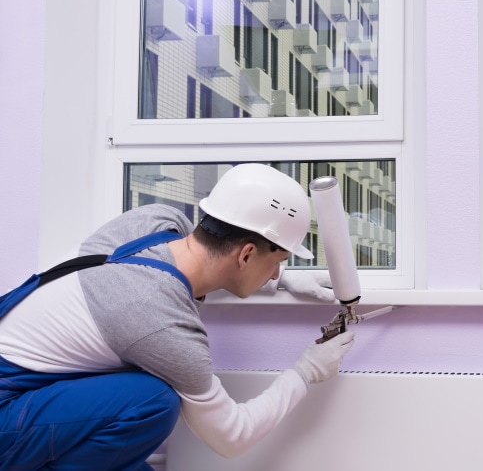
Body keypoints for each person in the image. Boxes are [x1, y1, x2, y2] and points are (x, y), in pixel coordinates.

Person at [0, 163, 356, 469]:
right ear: (246, 254)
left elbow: (197, 266)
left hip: (32, 388)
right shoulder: (166, 329)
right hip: (7, 406)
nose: (277, 273)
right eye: (277, 263)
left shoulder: (155, 221)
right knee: (153, 402)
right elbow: (232, 436)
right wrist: (306, 372)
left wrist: (279, 283)